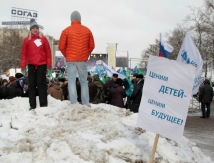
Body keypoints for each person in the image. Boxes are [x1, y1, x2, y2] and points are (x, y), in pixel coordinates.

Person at [59, 10, 95, 107]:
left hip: (71, 60)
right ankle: (85, 102)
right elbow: (92, 45)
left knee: (71, 81)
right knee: (83, 81)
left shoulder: (66, 31)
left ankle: (74, 102)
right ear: (80, 19)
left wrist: (68, 55)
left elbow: (61, 46)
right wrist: (86, 54)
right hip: (82, 60)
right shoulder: (87, 30)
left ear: (71, 19)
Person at [20, 19, 52, 110]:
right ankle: (32, 105)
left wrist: (49, 64)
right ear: (30, 29)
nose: (35, 29)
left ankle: (43, 104)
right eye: (33, 28)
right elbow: (23, 54)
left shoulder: (43, 39)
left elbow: (48, 52)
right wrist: (23, 65)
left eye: (36, 28)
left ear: (38, 29)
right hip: (31, 65)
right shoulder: (27, 40)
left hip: (42, 64)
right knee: (32, 85)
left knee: (41, 84)